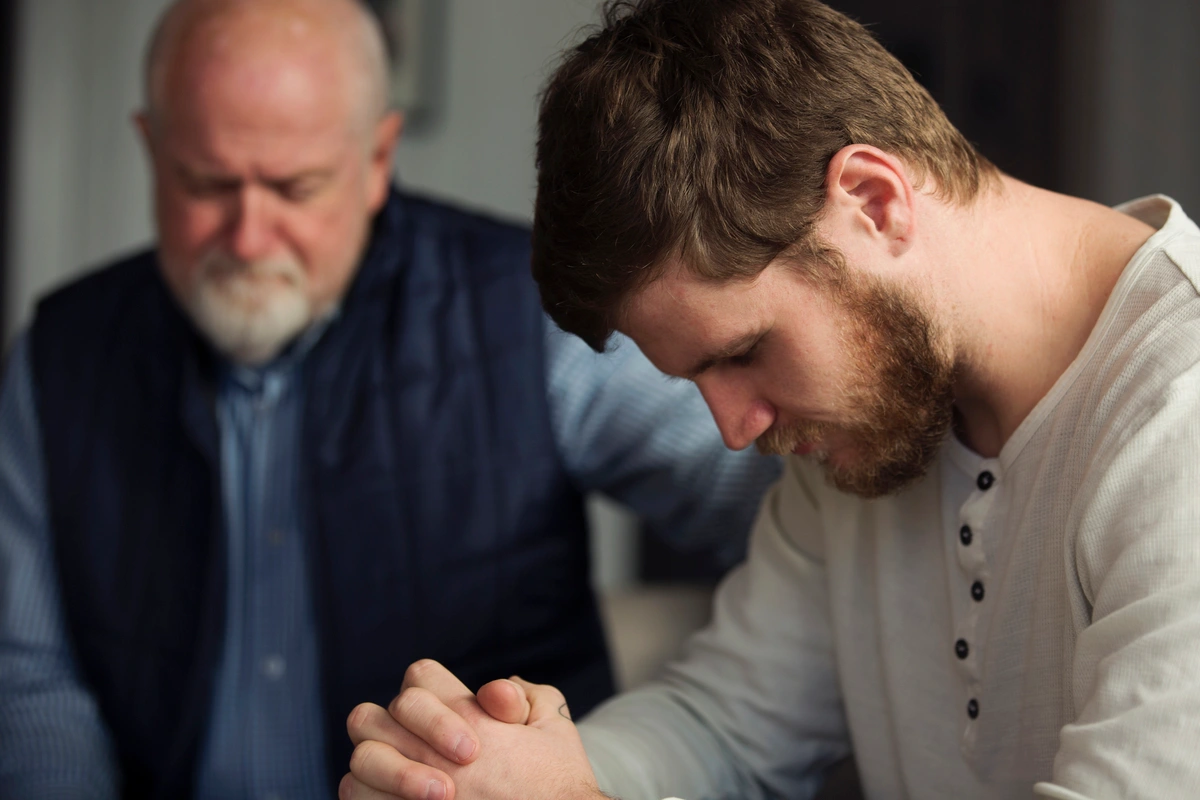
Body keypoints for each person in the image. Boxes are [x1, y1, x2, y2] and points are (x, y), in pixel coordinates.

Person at [339, 0, 1200, 798]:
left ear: (873, 200)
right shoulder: (887, 412)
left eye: (746, 352)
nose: (733, 428)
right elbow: (726, 727)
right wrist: (506, 768)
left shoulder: (1176, 411)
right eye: (696, 381)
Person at [0, 0, 783, 797]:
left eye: (296, 188)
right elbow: (30, 677)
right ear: (150, 149)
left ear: (378, 160)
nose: (247, 237)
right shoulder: (59, 358)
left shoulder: (526, 317)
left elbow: (777, 503)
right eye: (205, 183)